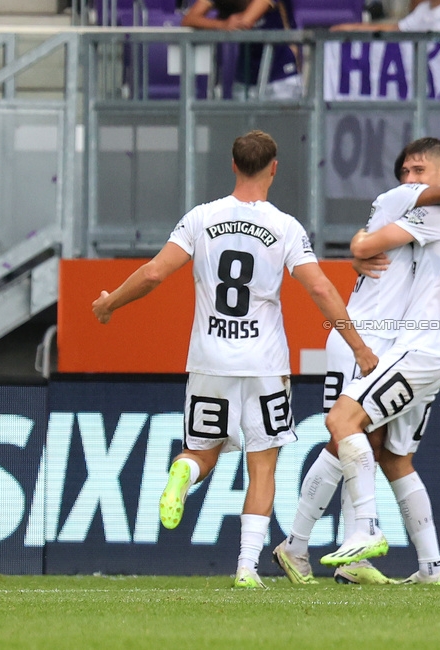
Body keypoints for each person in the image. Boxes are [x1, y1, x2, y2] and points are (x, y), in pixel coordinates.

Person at [91, 130, 377, 589]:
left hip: (209, 360)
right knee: (263, 465)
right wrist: (359, 347)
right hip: (265, 365)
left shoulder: (201, 218)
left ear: (233, 164)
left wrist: (109, 304)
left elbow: (153, 273)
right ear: (274, 167)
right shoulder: (284, 226)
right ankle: (246, 567)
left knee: (201, 451)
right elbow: (321, 289)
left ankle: (183, 471)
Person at [272, 145, 440, 586]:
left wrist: (361, 247)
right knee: (362, 444)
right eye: (406, 171)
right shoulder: (404, 200)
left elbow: (379, 244)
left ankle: (345, 546)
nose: (411, 178)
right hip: (367, 339)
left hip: (403, 345)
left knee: (377, 448)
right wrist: (358, 248)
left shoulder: (439, 214)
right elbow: (364, 243)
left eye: (420, 169)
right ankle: (322, 544)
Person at [181, 0, 302, 99]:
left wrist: (224, 19)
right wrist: (222, 24)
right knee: (246, 127)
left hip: (280, 75)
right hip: (246, 77)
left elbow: (244, 22)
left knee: (280, 127)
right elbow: (189, 19)